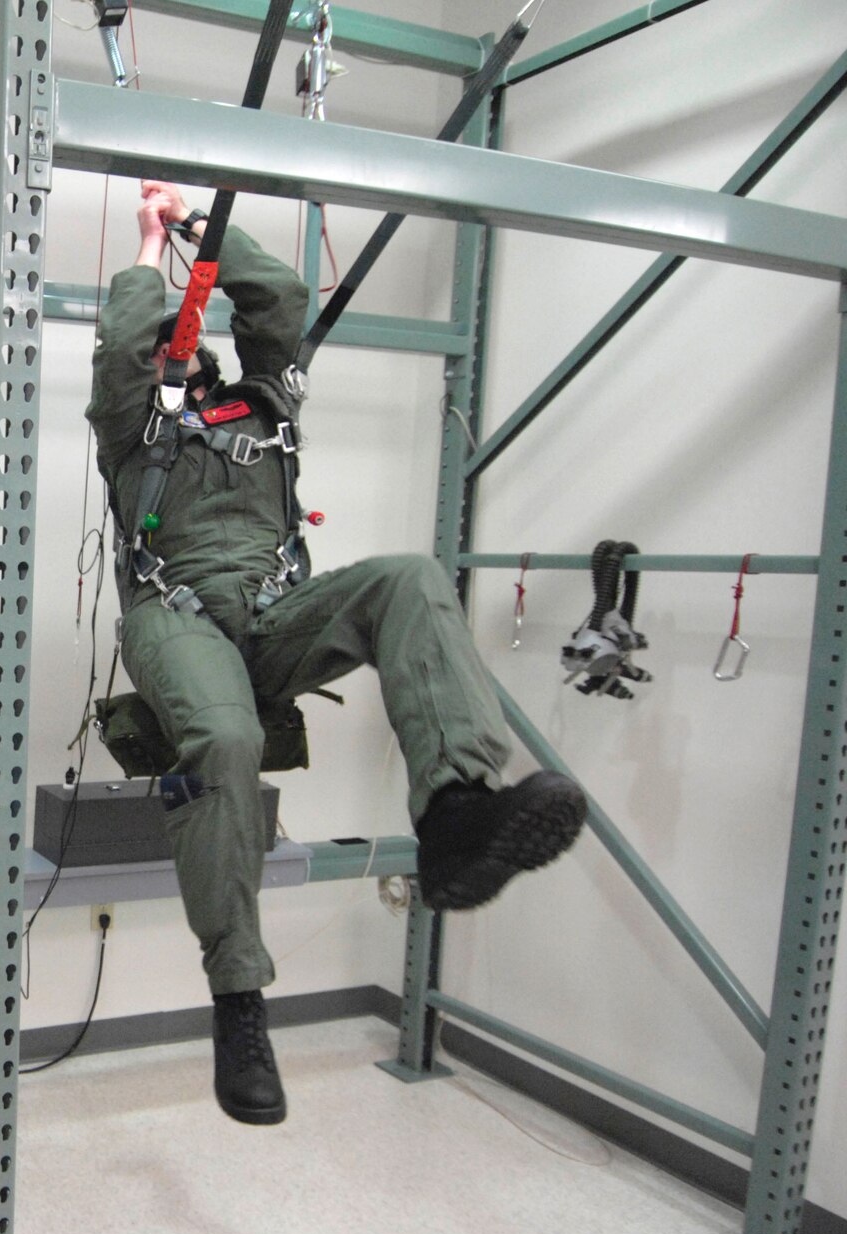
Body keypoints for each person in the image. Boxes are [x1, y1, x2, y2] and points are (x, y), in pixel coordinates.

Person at [86, 184, 587, 1126]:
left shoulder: (265, 401)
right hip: (172, 613)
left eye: (187, 349)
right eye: (170, 348)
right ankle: (240, 1000)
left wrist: (203, 226)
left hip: (275, 612)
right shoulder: (131, 424)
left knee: (407, 576)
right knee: (226, 738)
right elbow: (122, 343)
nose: (179, 358)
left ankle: (456, 814)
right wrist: (151, 248)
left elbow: (279, 294)